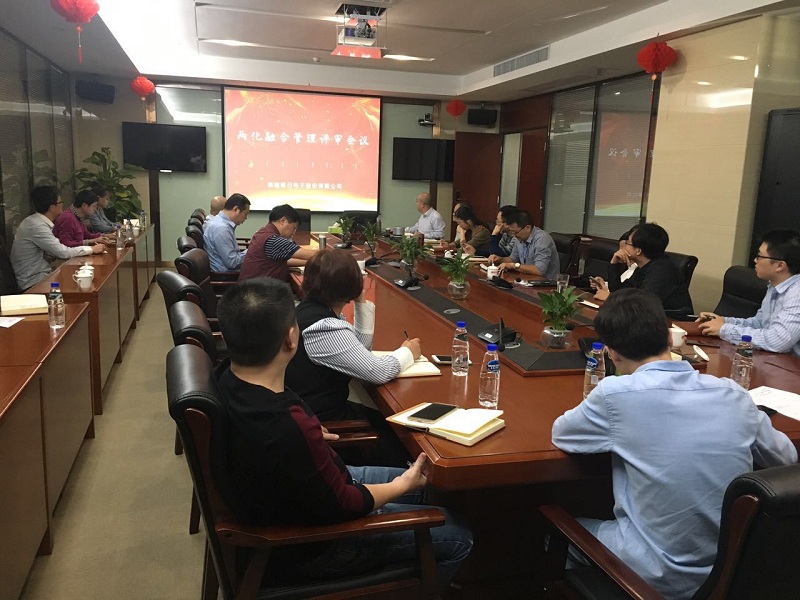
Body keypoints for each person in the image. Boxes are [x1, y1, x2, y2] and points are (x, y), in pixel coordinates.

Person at [213, 278, 472, 590]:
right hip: (317, 544)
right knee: (459, 533)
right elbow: (345, 504)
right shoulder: (286, 428)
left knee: (430, 489)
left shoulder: (226, 377)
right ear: (291, 338)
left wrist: (308, 435)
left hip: (301, 495)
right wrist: (402, 484)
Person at [552, 288, 796, 599]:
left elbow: (562, 434)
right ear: (670, 338)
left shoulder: (614, 395)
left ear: (611, 354)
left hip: (653, 576)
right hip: (730, 571)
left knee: (551, 532)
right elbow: (786, 458)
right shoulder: (733, 393)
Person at [285, 249, 419, 467]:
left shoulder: (311, 310)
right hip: (324, 424)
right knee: (403, 440)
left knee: (390, 425)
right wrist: (408, 352)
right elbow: (378, 372)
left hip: (311, 412)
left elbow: (360, 350)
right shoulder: (324, 327)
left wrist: (360, 301)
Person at [698, 229, 800, 356]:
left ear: (780, 266)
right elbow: (759, 324)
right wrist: (724, 321)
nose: (755, 260)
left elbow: (777, 341)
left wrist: (724, 330)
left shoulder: (796, 293)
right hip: (775, 360)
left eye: (760, 256)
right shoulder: (774, 285)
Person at [10, 185, 106, 290]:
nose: (63, 205)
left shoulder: (35, 222)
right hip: (33, 281)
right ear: (52, 207)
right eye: (60, 202)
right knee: (79, 285)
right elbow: (63, 252)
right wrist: (92, 249)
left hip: (41, 274)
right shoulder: (37, 226)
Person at [591, 223, 693, 315]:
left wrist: (610, 297)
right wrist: (614, 263)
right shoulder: (643, 267)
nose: (623, 247)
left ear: (638, 250)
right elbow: (617, 290)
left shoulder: (663, 270)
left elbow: (644, 303)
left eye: (628, 243)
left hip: (673, 323)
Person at [238, 204, 318, 283]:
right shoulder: (273, 240)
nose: (294, 232)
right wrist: (323, 255)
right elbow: (311, 255)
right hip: (258, 289)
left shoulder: (263, 232)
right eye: (294, 227)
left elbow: (285, 261)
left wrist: (309, 263)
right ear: (283, 221)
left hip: (252, 286)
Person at [487, 210, 559, 279]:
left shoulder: (542, 239)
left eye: (515, 232)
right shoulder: (520, 238)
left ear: (527, 228)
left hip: (546, 283)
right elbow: (513, 259)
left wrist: (514, 266)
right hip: (527, 279)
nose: (514, 236)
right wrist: (499, 259)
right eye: (512, 232)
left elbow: (539, 270)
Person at [202, 193, 250, 272]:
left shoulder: (220, 222)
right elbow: (232, 263)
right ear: (236, 209)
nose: (246, 218)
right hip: (227, 276)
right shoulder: (221, 228)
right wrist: (252, 249)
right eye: (245, 213)